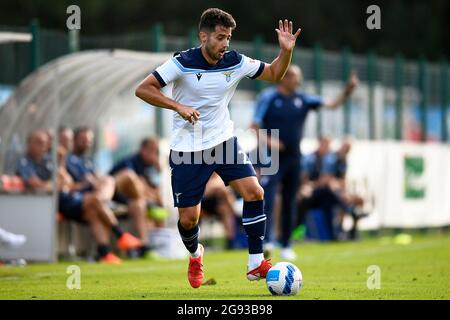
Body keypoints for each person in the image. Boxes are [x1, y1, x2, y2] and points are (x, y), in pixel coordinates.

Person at [135, 8, 301, 288]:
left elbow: (273, 74)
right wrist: (179, 106)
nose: (226, 43)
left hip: (223, 142)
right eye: (221, 37)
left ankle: (255, 263)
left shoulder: (235, 61)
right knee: (189, 220)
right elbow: (144, 88)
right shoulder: (181, 62)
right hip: (187, 150)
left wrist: (285, 52)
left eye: (229, 37)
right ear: (203, 36)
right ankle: (195, 253)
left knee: (254, 191)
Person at [251, 65, 358, 260]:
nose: (298, 81)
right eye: (295, 77)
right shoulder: (269, 97)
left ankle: (286, 244)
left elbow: (332, 104)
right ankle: (266, 241)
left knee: (291, 201)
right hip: (272, 158)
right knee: (269, 198)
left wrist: (348, 91)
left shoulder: (303, 99)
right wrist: (270, 141)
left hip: (294, 158)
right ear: (285, 77)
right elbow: (254, 126)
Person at [66, 127, 150, 257]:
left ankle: (142, 246)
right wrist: (89, 183)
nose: (86, 143)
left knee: (138, 203)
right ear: (74, 140)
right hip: (84, 198)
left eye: (89, 141)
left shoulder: (88, 160)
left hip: (98, 195)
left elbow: (96, 178)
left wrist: (95, 181)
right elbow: (67, 185)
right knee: (116, 179)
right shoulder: (68, 160)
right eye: (83, 140)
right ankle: (117, 239)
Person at [57, 146, 142, 264]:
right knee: (97, 199)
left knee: (94, 212)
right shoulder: (54, 167)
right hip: (66, 201)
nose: (62, 151)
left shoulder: (76, 163)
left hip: (79, 198)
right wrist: (82, 184)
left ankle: (105, 253)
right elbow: (65, 186)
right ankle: (121, 235)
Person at [200, 172, 238, 250]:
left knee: (225, 210)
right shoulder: (202, 177)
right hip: (201, 205)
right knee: (223, 193)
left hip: (216, 206)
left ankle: (230, 240)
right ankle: (235, 213)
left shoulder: (221, 178)